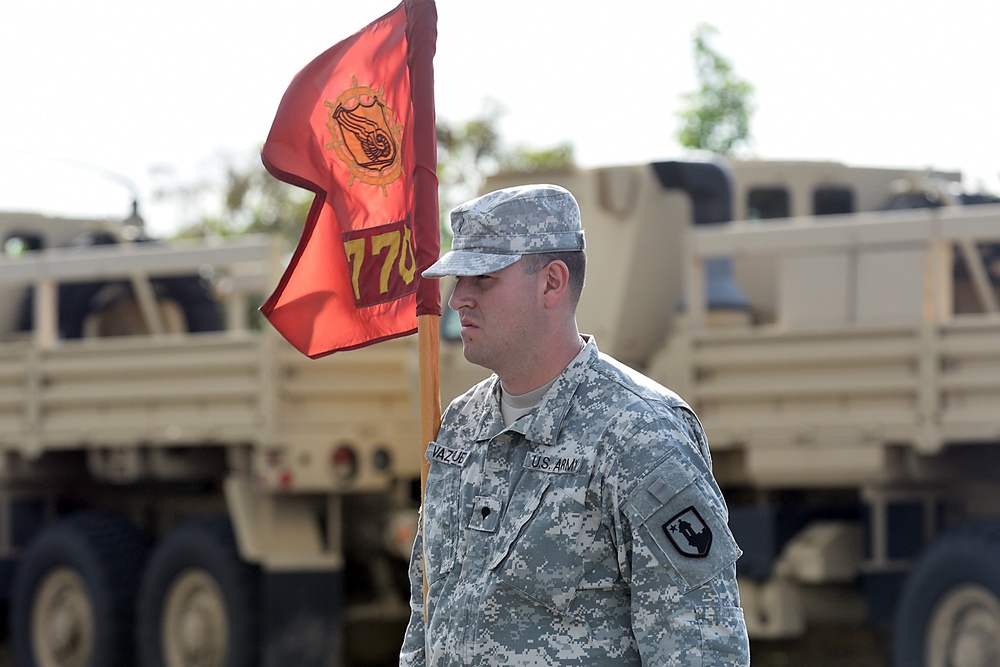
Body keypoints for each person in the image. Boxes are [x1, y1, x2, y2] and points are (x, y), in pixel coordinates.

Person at [400, 183, 750, 666]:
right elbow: (427, 614)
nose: (458, 298)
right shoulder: (461, 424)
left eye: (482, 278)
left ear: (551, 282)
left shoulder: (639, 433)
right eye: (458, 280)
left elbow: (701, 648)